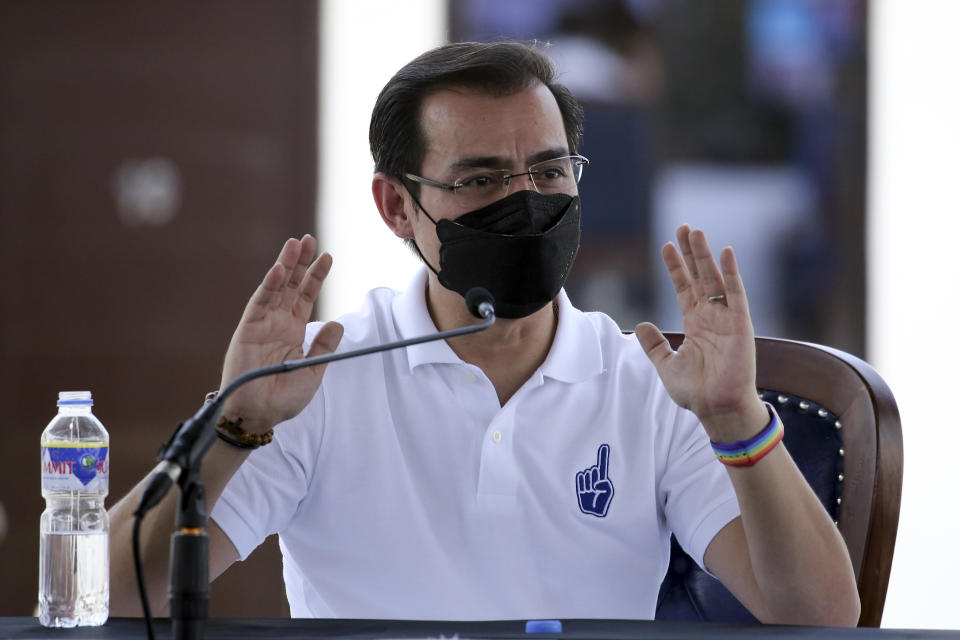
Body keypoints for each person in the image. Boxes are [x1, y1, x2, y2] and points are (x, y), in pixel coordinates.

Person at [108, 41, 859, 625]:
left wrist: (736, 417)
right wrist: (236, 426)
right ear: (398, 208)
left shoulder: (647, 383)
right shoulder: (317, 384)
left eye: (548, 171)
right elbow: (111, 595)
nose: (525, 202)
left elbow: (821, 617)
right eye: (481, 180)